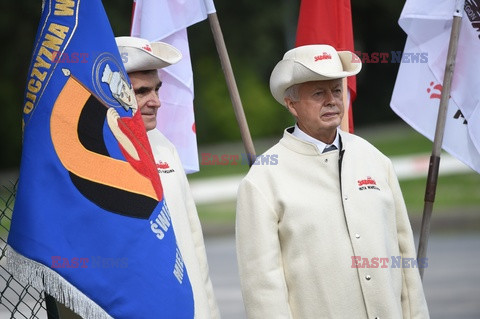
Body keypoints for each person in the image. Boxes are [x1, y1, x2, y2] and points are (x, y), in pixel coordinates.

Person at [235, 44, 430, 318]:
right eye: (318, 93)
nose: (332, 100)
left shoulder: (375, 159)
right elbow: (263, 288)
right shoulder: (263, 180)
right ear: (292, 104)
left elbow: (405, 254)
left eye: (336, 90)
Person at [116, 36, 220, 318]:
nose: (157, 102)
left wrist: (208, 311)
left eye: (157, 89)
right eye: (142, 91)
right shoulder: (97, 152)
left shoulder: (165, 146)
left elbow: (195, 243)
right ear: (112, 90)